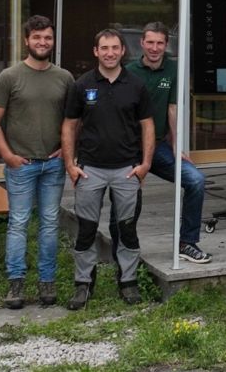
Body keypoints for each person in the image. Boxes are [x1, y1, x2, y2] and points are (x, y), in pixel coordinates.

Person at [62, 28, 154, 309]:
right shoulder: (82, 85)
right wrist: (70, 165)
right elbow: (69, 125)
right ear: (96, 51)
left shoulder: (136, 85)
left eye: (115, 48)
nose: (110, 53)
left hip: (126, 169)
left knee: (127, 230)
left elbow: (147, 126)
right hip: (90, 170)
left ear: (123, 51)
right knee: (86, 230)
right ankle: (83, 284)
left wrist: (145, 165)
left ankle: (128, 282)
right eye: (105, 48)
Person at [0, 15, 74, 309]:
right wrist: (7, 156)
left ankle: (47, 281)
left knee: (50, 223)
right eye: (37, 37)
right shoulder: (10, 77)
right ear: (26, 40)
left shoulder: (64, 78)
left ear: (53, 40)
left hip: (53, 164)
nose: (42, 42)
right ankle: (16, 283)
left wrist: (65, 149)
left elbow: (74, 121)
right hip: (20, 165)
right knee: (19, 223)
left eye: (47, 37)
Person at [127, 22, 213, 264]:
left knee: (196, 180)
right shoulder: (129, 71)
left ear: (167, 45)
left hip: (158, 147)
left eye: (160, 43)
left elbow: (172, 108)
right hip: (131, 147)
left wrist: (176, 144)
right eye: (150, 42)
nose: (155, 48)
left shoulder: (173, 69)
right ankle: (126, 249)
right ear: (142, 43)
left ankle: (186, 242)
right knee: (129, 194)